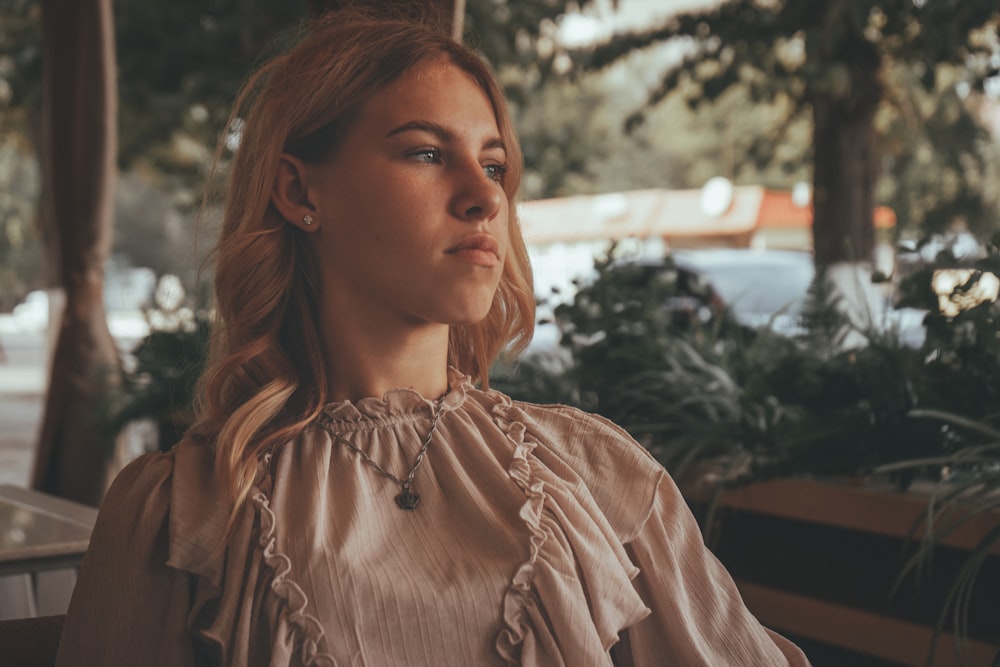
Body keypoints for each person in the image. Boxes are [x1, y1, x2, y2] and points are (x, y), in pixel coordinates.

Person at [56, 7, 810, 667]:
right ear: (298, 190)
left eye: (493, 163)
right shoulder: (180, 511)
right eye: (425, 152)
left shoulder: (595, 474)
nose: (486, 196)